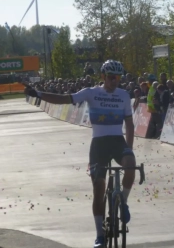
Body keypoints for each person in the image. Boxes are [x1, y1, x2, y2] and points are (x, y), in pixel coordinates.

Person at [24, 60, 136, 248]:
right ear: (102, 77)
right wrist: (39, 94)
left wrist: (130, 149)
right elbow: (65, 99)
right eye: (110, 77)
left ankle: (123, 202)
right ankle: (100, 235)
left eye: (117, 77)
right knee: (99, 188)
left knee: (131, 166)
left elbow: (130, 125)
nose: (114, 81)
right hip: (99, 145)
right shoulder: (91, 93)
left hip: (118, 141)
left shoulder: (124, 95)